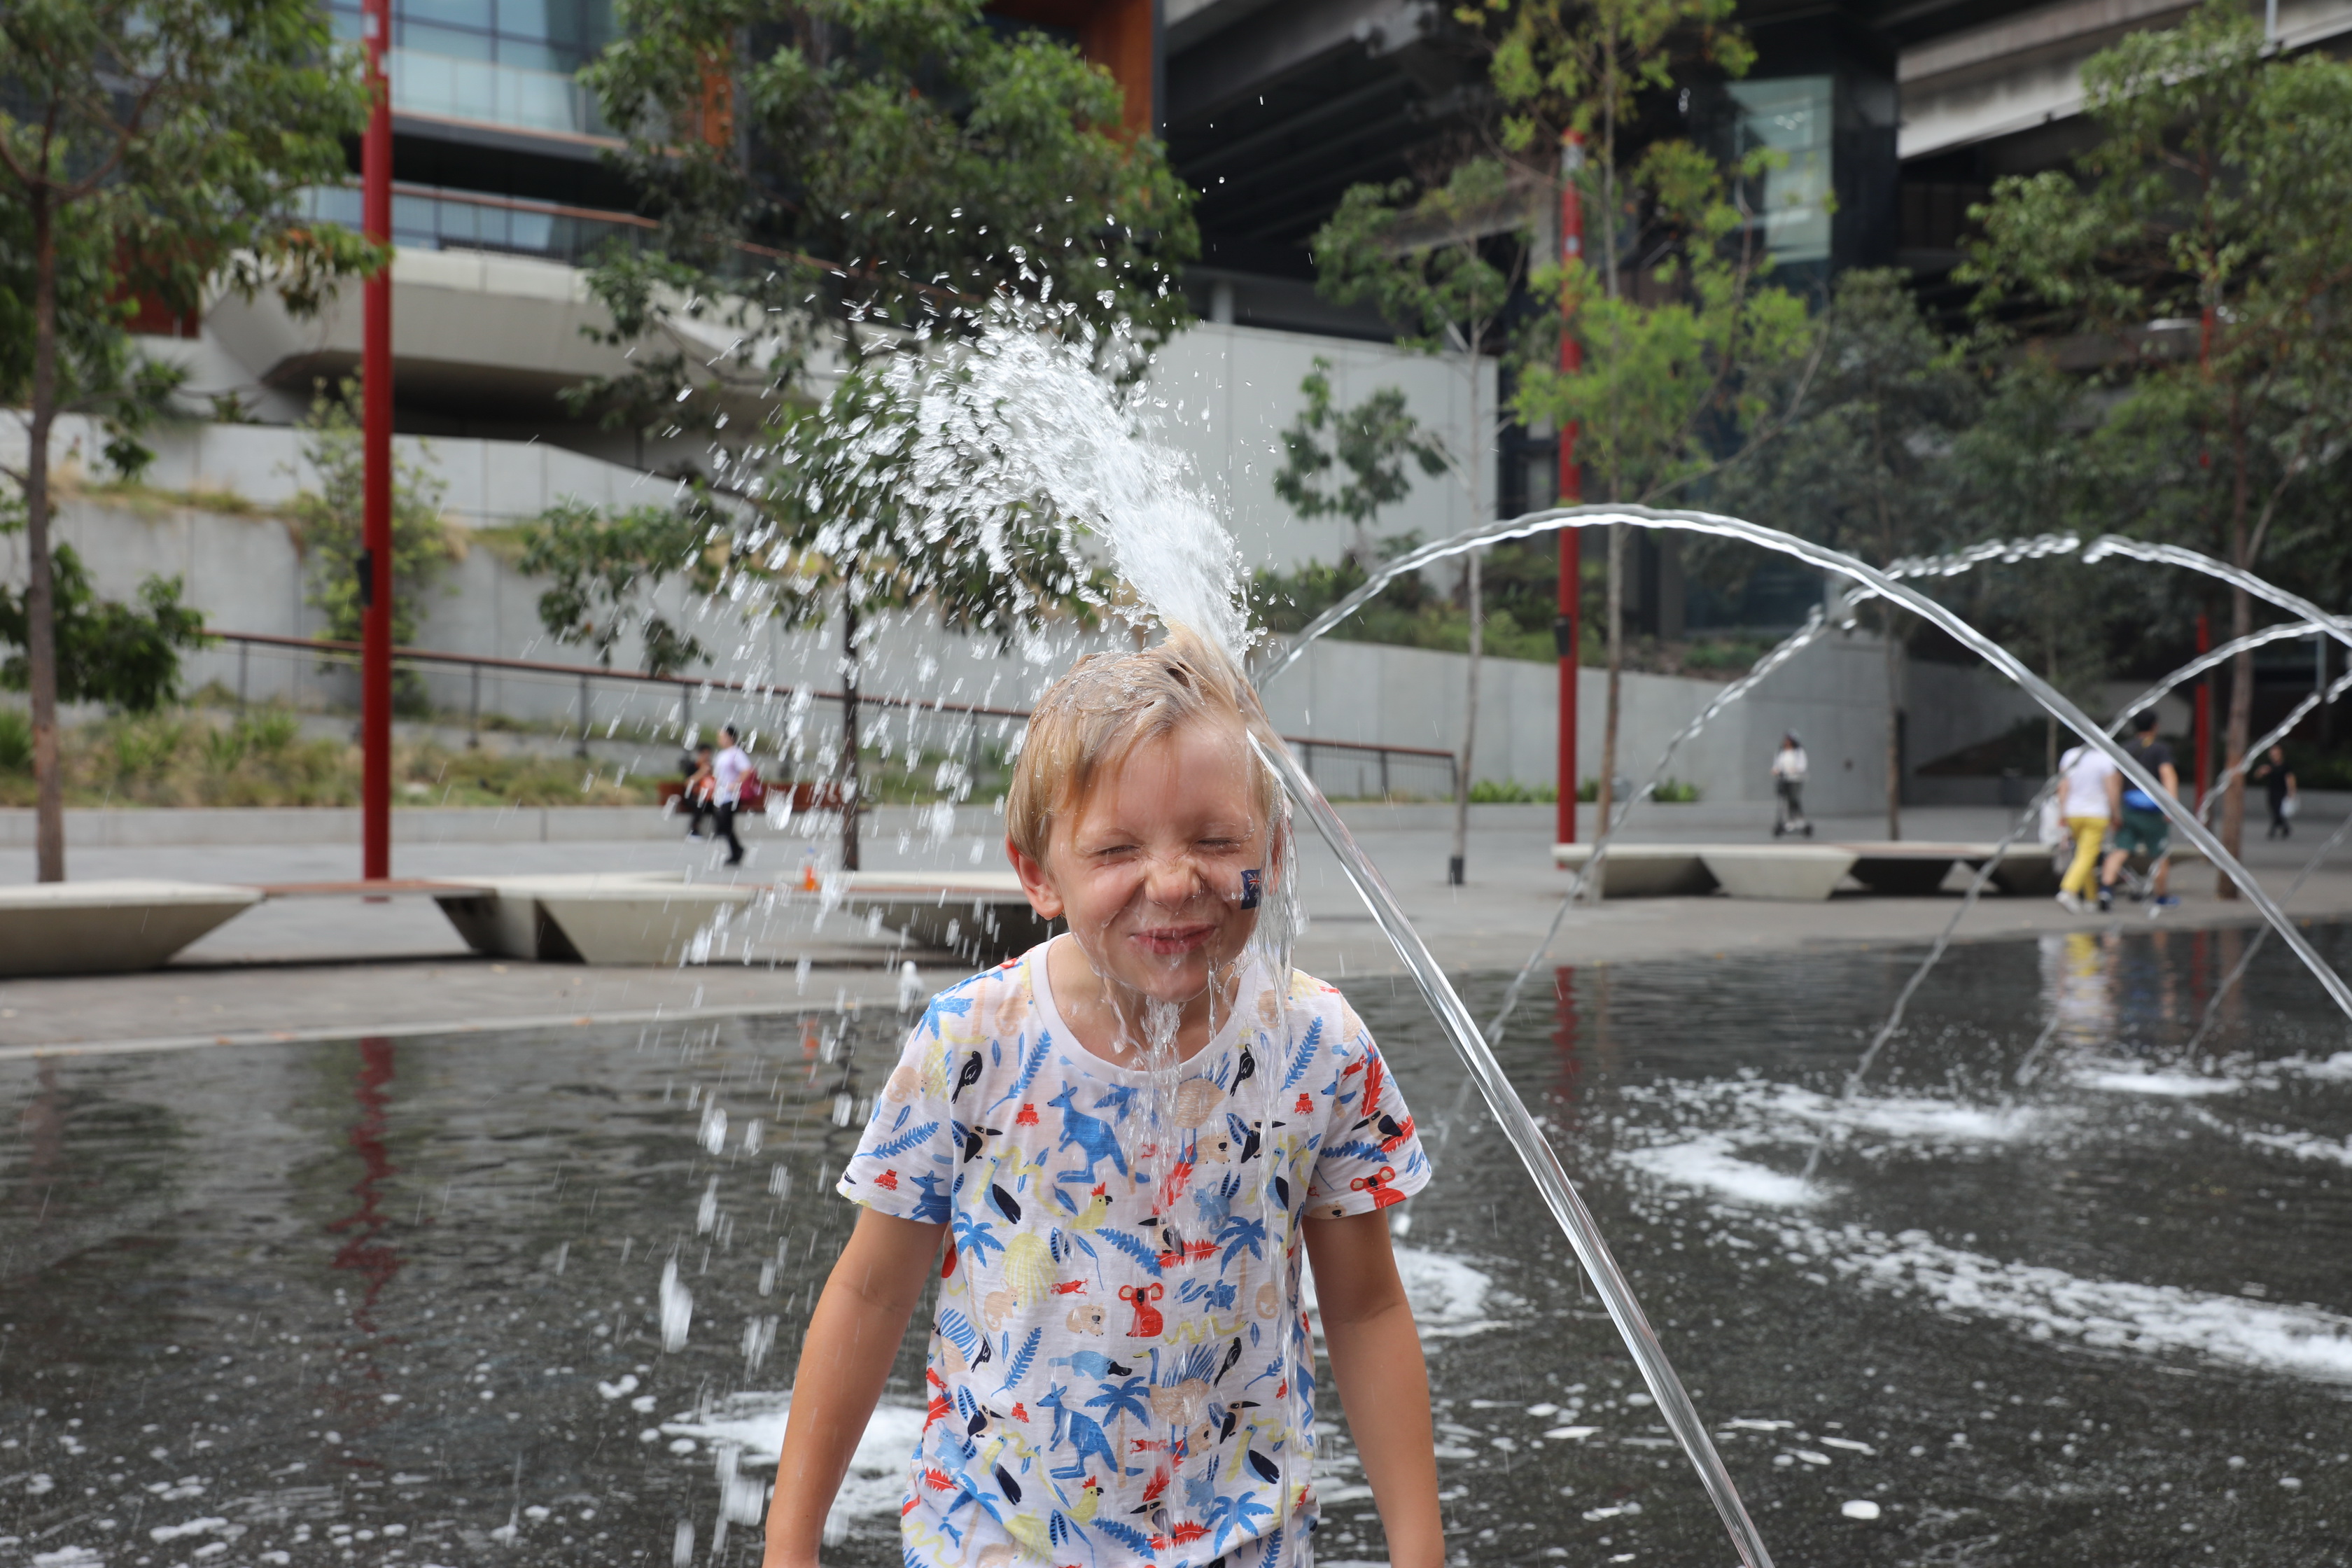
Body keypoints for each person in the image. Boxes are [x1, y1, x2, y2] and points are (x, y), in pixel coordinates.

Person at [762, 628, 1442, 1568]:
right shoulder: (976, 1042)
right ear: (1040, 874)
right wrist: (789, 1545)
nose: (1173, 882)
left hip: (1243, 1542)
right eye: (1117, 848)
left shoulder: (1317, 1045)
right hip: (997, 1540)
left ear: (1275, 852)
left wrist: (1422, 1553)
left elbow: (1365, 1309)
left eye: (1216, 840)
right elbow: (872, 1291)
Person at [2102, 711, 2180, 911]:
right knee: (2160, 854)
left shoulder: (2126, 749)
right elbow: (2168, 776)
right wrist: (2171, 807)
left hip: (2129, 808)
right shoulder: (2160, 749)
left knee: (2121, 849)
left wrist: (2115, 811)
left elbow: (2116, 781)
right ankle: (2161, 896)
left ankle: (2106, 890)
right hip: (2153, 812)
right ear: (2155, 726)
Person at [2054, 737, 2122, 915]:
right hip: (2097, 814)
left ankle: (2091, 899)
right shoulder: (2104, 759)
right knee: (2087, 855)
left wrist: (2062, 812)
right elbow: (2112, 789)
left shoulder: (2070, 756)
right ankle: (2068, 890)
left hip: (2073, 812)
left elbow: (2063, 785)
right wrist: (2116, 814)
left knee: (2084, 855)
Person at [710, 724, 751, 868]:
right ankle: (737, 851)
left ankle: (737, 851)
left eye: (722, 736)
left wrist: (736, 783)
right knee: (725, 825)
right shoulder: (721, 755)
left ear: (730, 737)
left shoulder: (736, 753)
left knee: (725, 823)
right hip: (721, 795)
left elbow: (746, 770)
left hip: (732, 796)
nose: (720, 739)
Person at [2253, 745, 2298, 839]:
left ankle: (2273, 830)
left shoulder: (2285, 766)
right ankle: (2285, 828)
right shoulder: (2269, 766)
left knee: (2278, 810)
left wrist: (2292, 791)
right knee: (2274, 809)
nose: (2274, 755)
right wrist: (2261, 771)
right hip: (2272, 790)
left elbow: (2290, 779)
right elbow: (2257, 776)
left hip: (2282, 791)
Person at [1770, 732, 1809, 838]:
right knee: (1785, 800)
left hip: (1795, 779)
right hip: (1784, 779)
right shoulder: (1781, 751)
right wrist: (1776, 770)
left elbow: (1802, 765)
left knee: (1794, 799)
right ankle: (1789, 821)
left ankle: (1799, 820)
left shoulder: (1798, 752)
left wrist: (1795, 769)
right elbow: (1777, 764)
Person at [683, 742, 718, 840]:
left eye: (708, 754)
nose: (706, 756)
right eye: (704, 754)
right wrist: (702, 772)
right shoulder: (693, 767)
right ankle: (693, 831)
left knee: (720, 807)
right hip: (694, 796)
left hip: (709, 798)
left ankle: (721, 831)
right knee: (699, 805)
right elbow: (688, 783)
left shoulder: (712, 768)